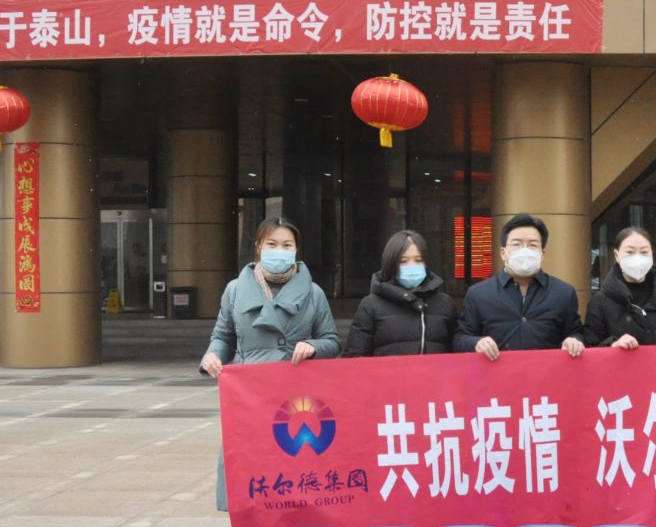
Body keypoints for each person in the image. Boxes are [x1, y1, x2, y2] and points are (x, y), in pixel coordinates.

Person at [200, 217, 341, 511]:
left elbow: (331, 340)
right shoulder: (235, 290)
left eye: (287, 245)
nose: (280, 251)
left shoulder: (313, 293)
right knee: (250, 468)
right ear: (258, 247)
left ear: (296, 249)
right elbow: (223, 337)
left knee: (295, 468)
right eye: (272, 244)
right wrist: (212, 355)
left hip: (296, 398)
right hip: (249, 396)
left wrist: (313, 346)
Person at [455, 213, 584, 360]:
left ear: (542, 254)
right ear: (503, 253)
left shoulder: (563, 293)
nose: (525, 250)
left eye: (533, 245)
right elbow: (460, 339)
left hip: (547, 372)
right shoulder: (479, 294)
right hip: (496, 373)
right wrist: (476, 343)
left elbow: (577, 333)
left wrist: (573, 341)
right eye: (516, 244)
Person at [344, 229, 459, 357]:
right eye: (403, 261)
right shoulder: (371, 305)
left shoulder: (445, 303)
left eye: (418, 260)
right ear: (391, 264)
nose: (412, 266)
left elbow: (458, 350)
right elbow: (354, 356)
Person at [583, 226, 656, 349]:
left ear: (652, 254)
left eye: (644, 252)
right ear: (617, 255)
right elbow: (591, 346)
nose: (637, 257)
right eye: (630, 252)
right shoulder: (600, 300)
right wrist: (613, 344)